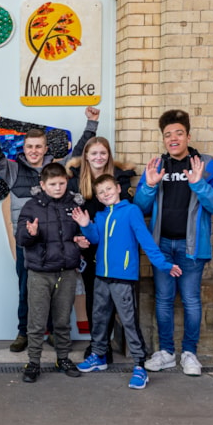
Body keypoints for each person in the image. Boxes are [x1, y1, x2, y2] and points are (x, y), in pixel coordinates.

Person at [0, 105, 99, 353]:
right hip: (27, 242)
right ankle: (23, 332)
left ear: (46, 149)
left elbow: (79, 154)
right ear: (24, 149)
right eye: (30, 146)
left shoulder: (56, 169)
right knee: (27, 288)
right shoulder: (13, 169)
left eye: (39, 146)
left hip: (56, 240)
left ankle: (50, 333)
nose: (34, 151)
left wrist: (91, 125)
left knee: (56, 290)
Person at [134, 109, 213, 376]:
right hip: (162, 246)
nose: (173, 138)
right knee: (163, 300)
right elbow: (139, 207)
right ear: (163, 139)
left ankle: (189, 353)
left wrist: (199, 184)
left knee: (190, 300)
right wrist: (150, 186)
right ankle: (166, 352)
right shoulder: (156, 166)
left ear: (188, 135)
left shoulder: (207, 166)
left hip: (191, 248)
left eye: (178, 133)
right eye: (168, 135)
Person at [74, 174, 181, 389]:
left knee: (129, 321)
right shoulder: (102, 215)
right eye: (100, 192)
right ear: (97, 196)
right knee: (99, 318)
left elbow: (146, 240)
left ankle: (140, 366)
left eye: (108, 189)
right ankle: (99, 356)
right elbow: (95, 238)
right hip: (101, 277)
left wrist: (164, 264)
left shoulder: (132, 211)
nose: (105, 194)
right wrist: (86, 225)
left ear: (118, 189)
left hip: (123, 278)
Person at [66, 136, 137, 361]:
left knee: (114, 299)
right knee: (94, 298)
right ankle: (97, 346)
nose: (98, 157)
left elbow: (127, 214)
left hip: (114, 249)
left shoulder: (121, 180)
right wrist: (78, 237)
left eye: (103, 153)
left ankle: (105, 344)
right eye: (94, 153)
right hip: (88, 248)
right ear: (85, 155)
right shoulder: (74, 181)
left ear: (109, 155)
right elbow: (70, 216)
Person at [15, 163, 86, 383]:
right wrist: (31, 234)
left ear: (67, 182)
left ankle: (62, 358)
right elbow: (21, 239)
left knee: (63, 320)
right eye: (53, 184)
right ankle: (33, 362)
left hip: (66, 272)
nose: (58, 188)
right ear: (42, 185)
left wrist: (82, 241)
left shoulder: (74, 205)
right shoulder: (30, 207)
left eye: (62, 183)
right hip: (40, 273)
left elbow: (82, 233)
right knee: (36, 321)